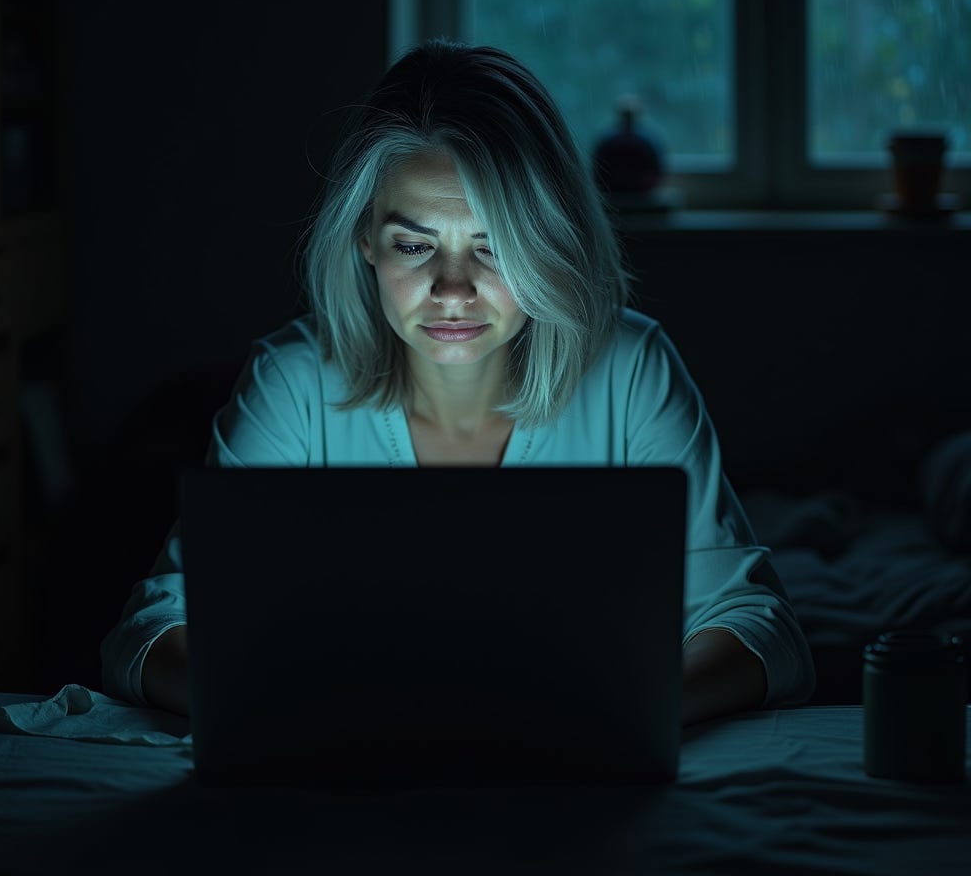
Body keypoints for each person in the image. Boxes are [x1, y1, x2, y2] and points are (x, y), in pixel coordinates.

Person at [100, 37, 816, 723]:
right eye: (414, 245)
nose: (451, 289)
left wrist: (615, 709)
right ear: (365, 241)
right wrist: (296, 710)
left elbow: (760, 627)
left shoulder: (629, 369)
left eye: (493, 247)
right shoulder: (293, 386)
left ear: (549, 241)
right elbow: (154, 629)